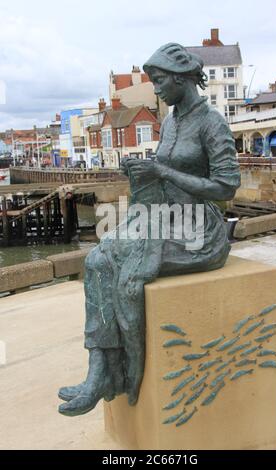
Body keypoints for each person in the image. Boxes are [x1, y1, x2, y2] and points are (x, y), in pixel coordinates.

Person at [58, 43, 241, 417]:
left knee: (124, 267)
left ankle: (125, 372)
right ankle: (100, 372)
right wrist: (144, 169)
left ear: (180, 79)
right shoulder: (171, 120)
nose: (155, 89)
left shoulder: (212, 122)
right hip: (166, 218)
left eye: (159, 81)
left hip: (200, 232)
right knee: (96, 260)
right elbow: (165, 171)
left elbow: (226, 187)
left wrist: (163, 171)